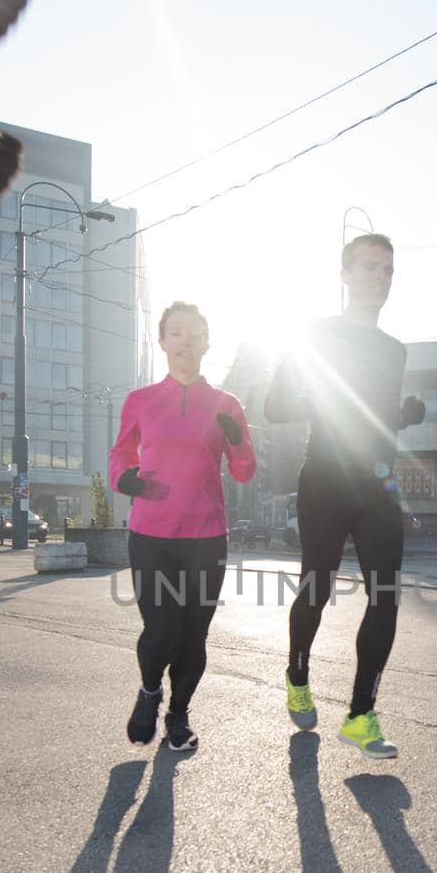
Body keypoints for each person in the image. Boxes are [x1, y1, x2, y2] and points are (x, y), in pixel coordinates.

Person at [264, 233, 426, 758]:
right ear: (345, 274)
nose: (379, 279)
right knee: (317, 585)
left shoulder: (393, 350)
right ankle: (297, 671)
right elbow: (275, 406)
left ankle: (360, 715)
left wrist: (402, 417)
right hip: (325, 482)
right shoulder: (313, 336)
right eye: (370, 268)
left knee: (386, 597)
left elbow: (375, 421)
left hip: (376, 484)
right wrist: (325, 395)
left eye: (388, 271)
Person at [109, 302, 256, 752]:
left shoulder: (227, 405)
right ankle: (150, 691)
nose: (185, 340)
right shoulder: (141, 401)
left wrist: (235, 439)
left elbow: (246, 471)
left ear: (206, 342)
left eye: (193, 333)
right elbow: (120, 456)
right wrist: (125, 478)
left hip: (206, 538)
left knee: (193, 636)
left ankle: (178, 715)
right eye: (175, 333)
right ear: (163, 342)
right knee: (160, 630)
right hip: (151, 535)